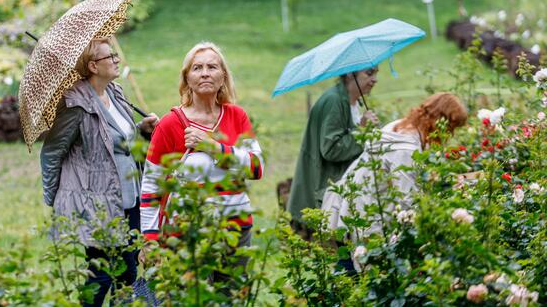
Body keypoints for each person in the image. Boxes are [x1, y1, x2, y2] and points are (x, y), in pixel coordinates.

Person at [40, 38, 158, 307]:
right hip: (95, 204)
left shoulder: (114, 93)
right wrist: (55, 198)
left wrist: (141, 129)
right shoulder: (75, 106)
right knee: (102, 275)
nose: (116, 60)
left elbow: (118, 140)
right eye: (110, 57)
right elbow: (51, 153)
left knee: (128, 272)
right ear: (93, 66)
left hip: (129, 198)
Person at [139, 42, 264, 264]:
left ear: (223, 76)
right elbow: (151, 186)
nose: (205, 73)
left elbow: (256, 168)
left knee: (232, 297)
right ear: (187, 78)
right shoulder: (170, 124)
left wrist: (212, 147)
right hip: (188, 233)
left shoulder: (237, 116)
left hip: (236, 229)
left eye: (212, 67)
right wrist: (149, 239)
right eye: (197, 68)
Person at [321, 92, 467, 270]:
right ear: (439, 121)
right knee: (359, 274)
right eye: (451, 127)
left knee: (347, 267)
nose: (449, 134)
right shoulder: (405, 149)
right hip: (369, 217)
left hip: (354, 208)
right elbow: (408, 201)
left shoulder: (399, 127)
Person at [286, 68, 379, 234]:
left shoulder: (354, 102)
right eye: (369, 74)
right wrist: (362, 131)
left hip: (337, 196)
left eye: (376, 74)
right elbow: (331, 149)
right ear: (350, 74)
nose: (375, 80)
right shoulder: (333, 101)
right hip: (321, 198)